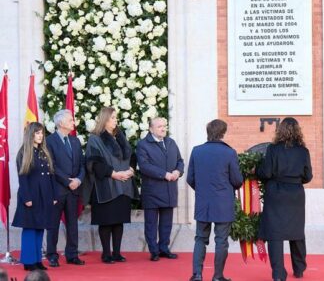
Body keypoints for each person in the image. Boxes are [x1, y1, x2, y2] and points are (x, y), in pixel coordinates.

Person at [256, 117, 313, 281]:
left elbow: (266, 172)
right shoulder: (303, 151)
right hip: (295, 194)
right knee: (297, 232)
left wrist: (257, 170)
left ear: (280, 130)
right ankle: (299, 268)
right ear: (298, 131)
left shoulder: (273, 149)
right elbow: (308, 176)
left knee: (275, 234)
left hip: (275, 194)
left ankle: (279, 274)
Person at [187, 119, 243, 281]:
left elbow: (190, 178)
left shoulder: (197, 151)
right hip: (223, 203)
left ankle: (197, 275)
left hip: (203, 202)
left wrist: (203, 190)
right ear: (222, 133)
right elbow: (237, 180)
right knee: (221, 241)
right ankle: (218, 276)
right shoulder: (229, 152)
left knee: (200, 238)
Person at [83, 107, 139, 264]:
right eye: (113, 117)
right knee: (106, 221)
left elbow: (132, 155)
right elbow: (93, 162)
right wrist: (113, 174)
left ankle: (117, 253)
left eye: (116, 117)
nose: (116, 120)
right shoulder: (95, 138)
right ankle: (106, 253)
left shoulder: (120, 136)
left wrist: (131, 169)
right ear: (105, 119)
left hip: (123, 186)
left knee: (119, 220)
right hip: (106, 185)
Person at [136, 117, 184, 261]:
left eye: (165, 126)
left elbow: (180, 161)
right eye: (159, 126)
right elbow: (144, 166)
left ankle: (164, 248)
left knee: (166, 222)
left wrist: (177, 171)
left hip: (169, 190)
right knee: (151, 223)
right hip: (152, 190)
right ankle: (154, 250)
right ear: (151, 129)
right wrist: (164, 174)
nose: (163, 129)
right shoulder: (143, 145)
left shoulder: (171, 142)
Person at [12, 122, 58, 271]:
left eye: (41, 133)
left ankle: (37, 260)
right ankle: (28, 261)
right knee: (30, 229)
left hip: (44, 196)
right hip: (31, 196)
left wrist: (54, 194)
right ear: (31, 134)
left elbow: (51, 175)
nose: (40, 136)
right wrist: (26, 198)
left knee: (40, 228)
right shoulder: (25, 152)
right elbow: (23, 177)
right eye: (37, 133)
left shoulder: (43, 151)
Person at [46, 109, 86, 267]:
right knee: (53, 224)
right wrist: (67, 181)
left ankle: (72, 254)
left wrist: (78, 179)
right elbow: (51, 165)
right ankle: (52, 255)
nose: (73, 123)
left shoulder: (75, 141)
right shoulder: (49, 141)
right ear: (61, 123)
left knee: (72, 224)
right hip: (57, 189)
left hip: (74, 190)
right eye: (70, 120)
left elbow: (82, 164)